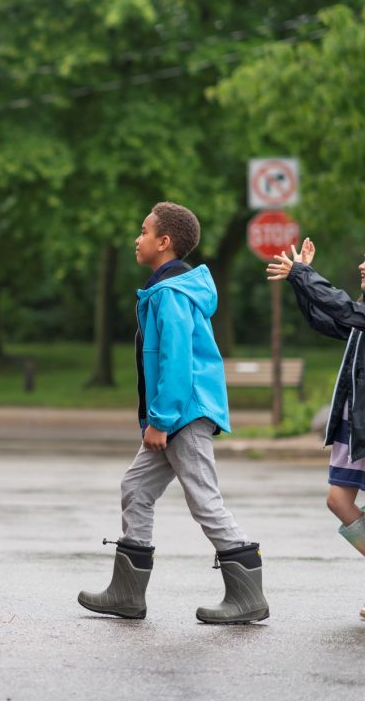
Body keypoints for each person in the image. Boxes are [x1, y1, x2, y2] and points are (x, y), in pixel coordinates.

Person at [78, 202, 270, 623]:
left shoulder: (170, 294)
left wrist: (161, 421)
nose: (137, 238)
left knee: (204, 499)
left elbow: (176, 361)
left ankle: (247, 594)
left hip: (182, 415)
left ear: (164, 242)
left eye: (144, 232)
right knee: (136, 487)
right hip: (174, 415)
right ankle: (127, 593)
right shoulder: (167, 290)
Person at [267, 238, 365, 619]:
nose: (361, 266)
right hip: (354, 427)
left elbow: (340, 305)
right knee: (338, 501)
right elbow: (327, 319)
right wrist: (298, 281)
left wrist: (304, 274)